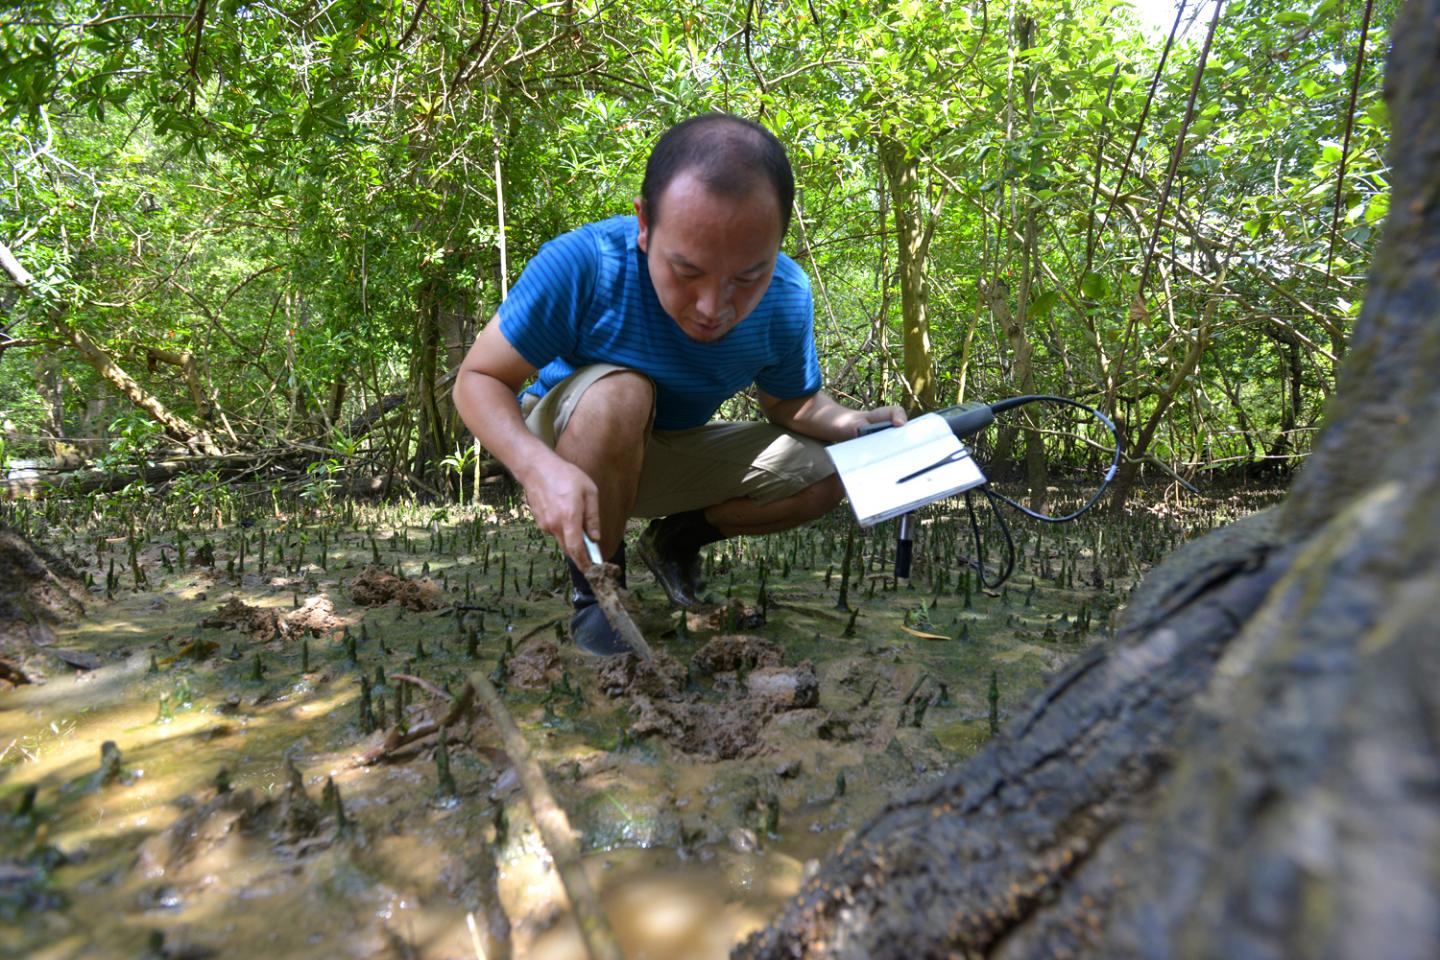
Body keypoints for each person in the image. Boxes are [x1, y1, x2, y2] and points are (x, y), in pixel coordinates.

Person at [453, 113, 904, 655]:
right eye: (687, 272)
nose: (715, 309)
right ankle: (598, 594)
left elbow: (790, 402)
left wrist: (855, 425)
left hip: (663, 450)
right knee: (622, 393)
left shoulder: (787, 296)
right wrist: (536, 468)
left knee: (830, 472)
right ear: (645, 224)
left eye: (747, 277)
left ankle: (676, 541)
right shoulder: (586, 264)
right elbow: (477, 379)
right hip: (570, 435)